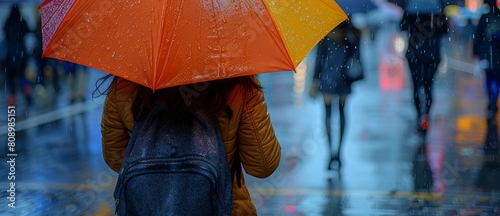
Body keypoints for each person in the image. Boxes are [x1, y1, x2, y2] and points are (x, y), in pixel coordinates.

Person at [99, 75, 281, 215]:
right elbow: (263, 166)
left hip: (148, 207)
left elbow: (115, 158)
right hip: (225, 208)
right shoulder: (237, 81)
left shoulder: (126, 83)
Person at [309, 20, 362, 170]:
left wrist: (315, 81)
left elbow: (319, 60)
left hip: (327, 78)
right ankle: (339, 153)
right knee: (342, 114)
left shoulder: (325, 33)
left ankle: (330, 154)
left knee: (327, 115)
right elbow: (356, 59)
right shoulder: (352, 33)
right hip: (345, 79)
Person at [400, 12, 448, 136]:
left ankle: (420, 117)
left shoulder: (411, 11)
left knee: (417, 88)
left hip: (416, 54)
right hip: (431, 54)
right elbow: (444, 31)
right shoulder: (438, 12)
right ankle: (425, 117)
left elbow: (403, 27)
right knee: (428, 87)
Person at [472, 0, 500, 152]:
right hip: (498, 54)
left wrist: (476, 53)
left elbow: (478, 36)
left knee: (489, 79)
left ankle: (491, 101)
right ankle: (494, 100)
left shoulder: (484, 17)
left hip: (487, 54)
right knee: (497, 79)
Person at [3, 5, 33, 106]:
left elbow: (5, 33)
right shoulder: (22, 21)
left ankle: (12, 101)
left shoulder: (8, 22)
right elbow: (29, 31)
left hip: (10, 55)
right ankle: (27, 94)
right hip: (21, 54)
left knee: (10, 78)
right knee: (21, 75)